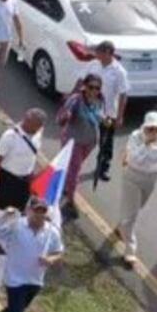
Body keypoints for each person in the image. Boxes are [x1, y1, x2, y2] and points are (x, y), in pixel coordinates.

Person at [0, 198, 64, 312]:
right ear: (28, 210)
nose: (39, 214)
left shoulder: (51, 232)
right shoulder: (16, 225)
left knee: (18, 309)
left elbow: (59, 252)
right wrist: (6, 216)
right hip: (14, 279)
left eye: (42, 211)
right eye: (36, 210)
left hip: (35, 281)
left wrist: (50, 260)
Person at [56, 75, 103, 219]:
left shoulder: (100, 100)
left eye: (97, 88)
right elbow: (61, 119)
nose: (93, 91)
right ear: (85, 86)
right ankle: (71, 201)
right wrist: (67, 116)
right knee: (75, 172)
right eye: (91, 87)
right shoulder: (76, 100)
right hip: (73, 142)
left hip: (89, 142)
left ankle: (64, 187)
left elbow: (99, 116)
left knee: (72, 169)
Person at [116, 111, 157, 268]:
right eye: (151, 128)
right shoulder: (135, 137)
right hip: (132, 177)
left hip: (150, 179)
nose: (154, 132)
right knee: (131, 215)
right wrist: (148, 145)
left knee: (136, 208)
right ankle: (130, 250)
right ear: (144, 127)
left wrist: (150, 150)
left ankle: (122, 225)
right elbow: (134, 158)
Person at [83, 40, 129, 183]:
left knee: (106, 142)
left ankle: (103, 167)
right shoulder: (93, 64)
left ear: (108, 53)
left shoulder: (119, 72)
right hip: (89, 109)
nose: (96, 54)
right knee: (83, 137)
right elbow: (82, 81)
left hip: (108, 113)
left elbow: (123, 94)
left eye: (99, 52)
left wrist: (120, 117)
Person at [0, 109, 46, 210]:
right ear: (27, 120)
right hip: (7, 179)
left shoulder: (38, 133)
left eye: (39, 127)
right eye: (35, 126)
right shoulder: (10, 136)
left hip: (25, 181)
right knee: (0, 209)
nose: (37, 130)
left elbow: (32, 155)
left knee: (18, 210)